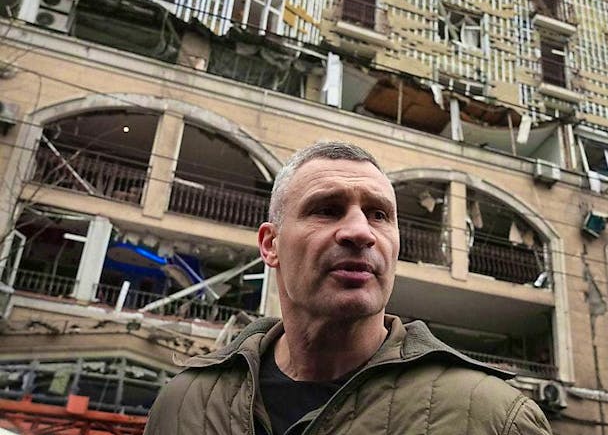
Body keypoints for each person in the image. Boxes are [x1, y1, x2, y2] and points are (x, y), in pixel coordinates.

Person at [144, 141, 553, 435]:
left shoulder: (495, 418)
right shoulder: (185, 403)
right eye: (327, 209)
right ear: (271, 245)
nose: (361, 231)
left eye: (379, 214)